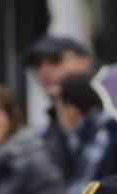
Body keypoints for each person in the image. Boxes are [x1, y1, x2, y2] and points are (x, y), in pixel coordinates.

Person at [23, 33, 94, 172]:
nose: (45, 71)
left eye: (56, 60)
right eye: (37, 65)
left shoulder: (111, 121)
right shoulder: (42, 136)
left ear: (85, 62)